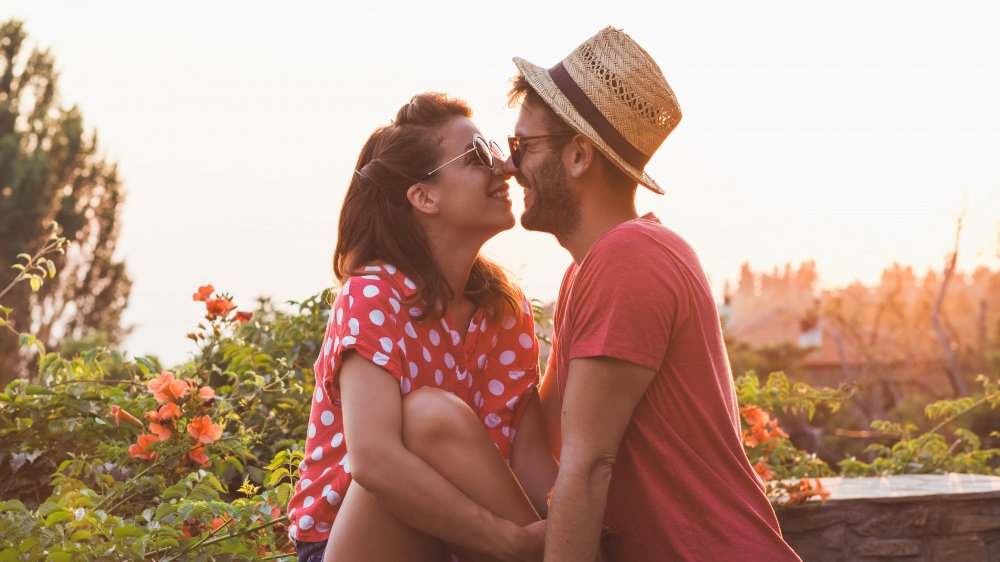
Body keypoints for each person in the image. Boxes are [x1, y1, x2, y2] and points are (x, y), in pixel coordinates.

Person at [502, 27, 801, 561]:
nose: (509, 164)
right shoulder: (591, 271)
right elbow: (541, 433)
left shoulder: (630, 260)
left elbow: (587, 464)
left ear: (578, 156)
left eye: (522, 145)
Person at [287, 92, 555, 562]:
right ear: (423, 196)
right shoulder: (374, 294)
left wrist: (585, 530)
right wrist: (509, 542)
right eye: (477, 156)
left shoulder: (503, 310)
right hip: (347, 543)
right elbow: (374, 463)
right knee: (430, 417)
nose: (503, 167)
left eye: (494, 148)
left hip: (458, 544)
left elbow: (528, 458)